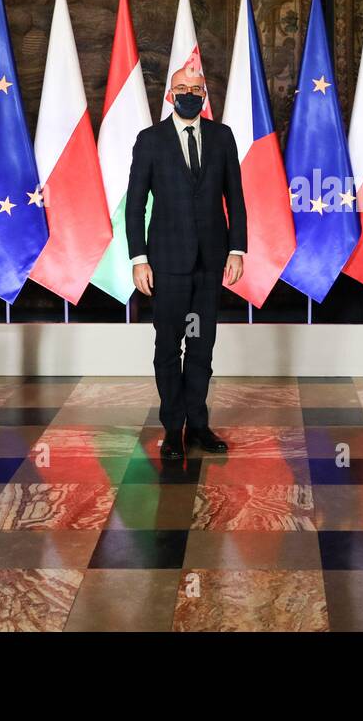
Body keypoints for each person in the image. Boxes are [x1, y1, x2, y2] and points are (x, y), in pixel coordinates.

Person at [125, 67, 247, 460]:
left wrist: (237, 249)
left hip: (210, 263)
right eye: (183, 88)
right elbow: (135, 205)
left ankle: (198, 424)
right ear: (170, 94)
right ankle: (173, 427)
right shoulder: (150, 140)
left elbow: (236, 198)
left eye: (197, 89)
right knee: (168, 347)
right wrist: (139, 258)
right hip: (166, 264)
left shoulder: (222, 136)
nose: (191, 94)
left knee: (201, 346)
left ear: (205, 95)